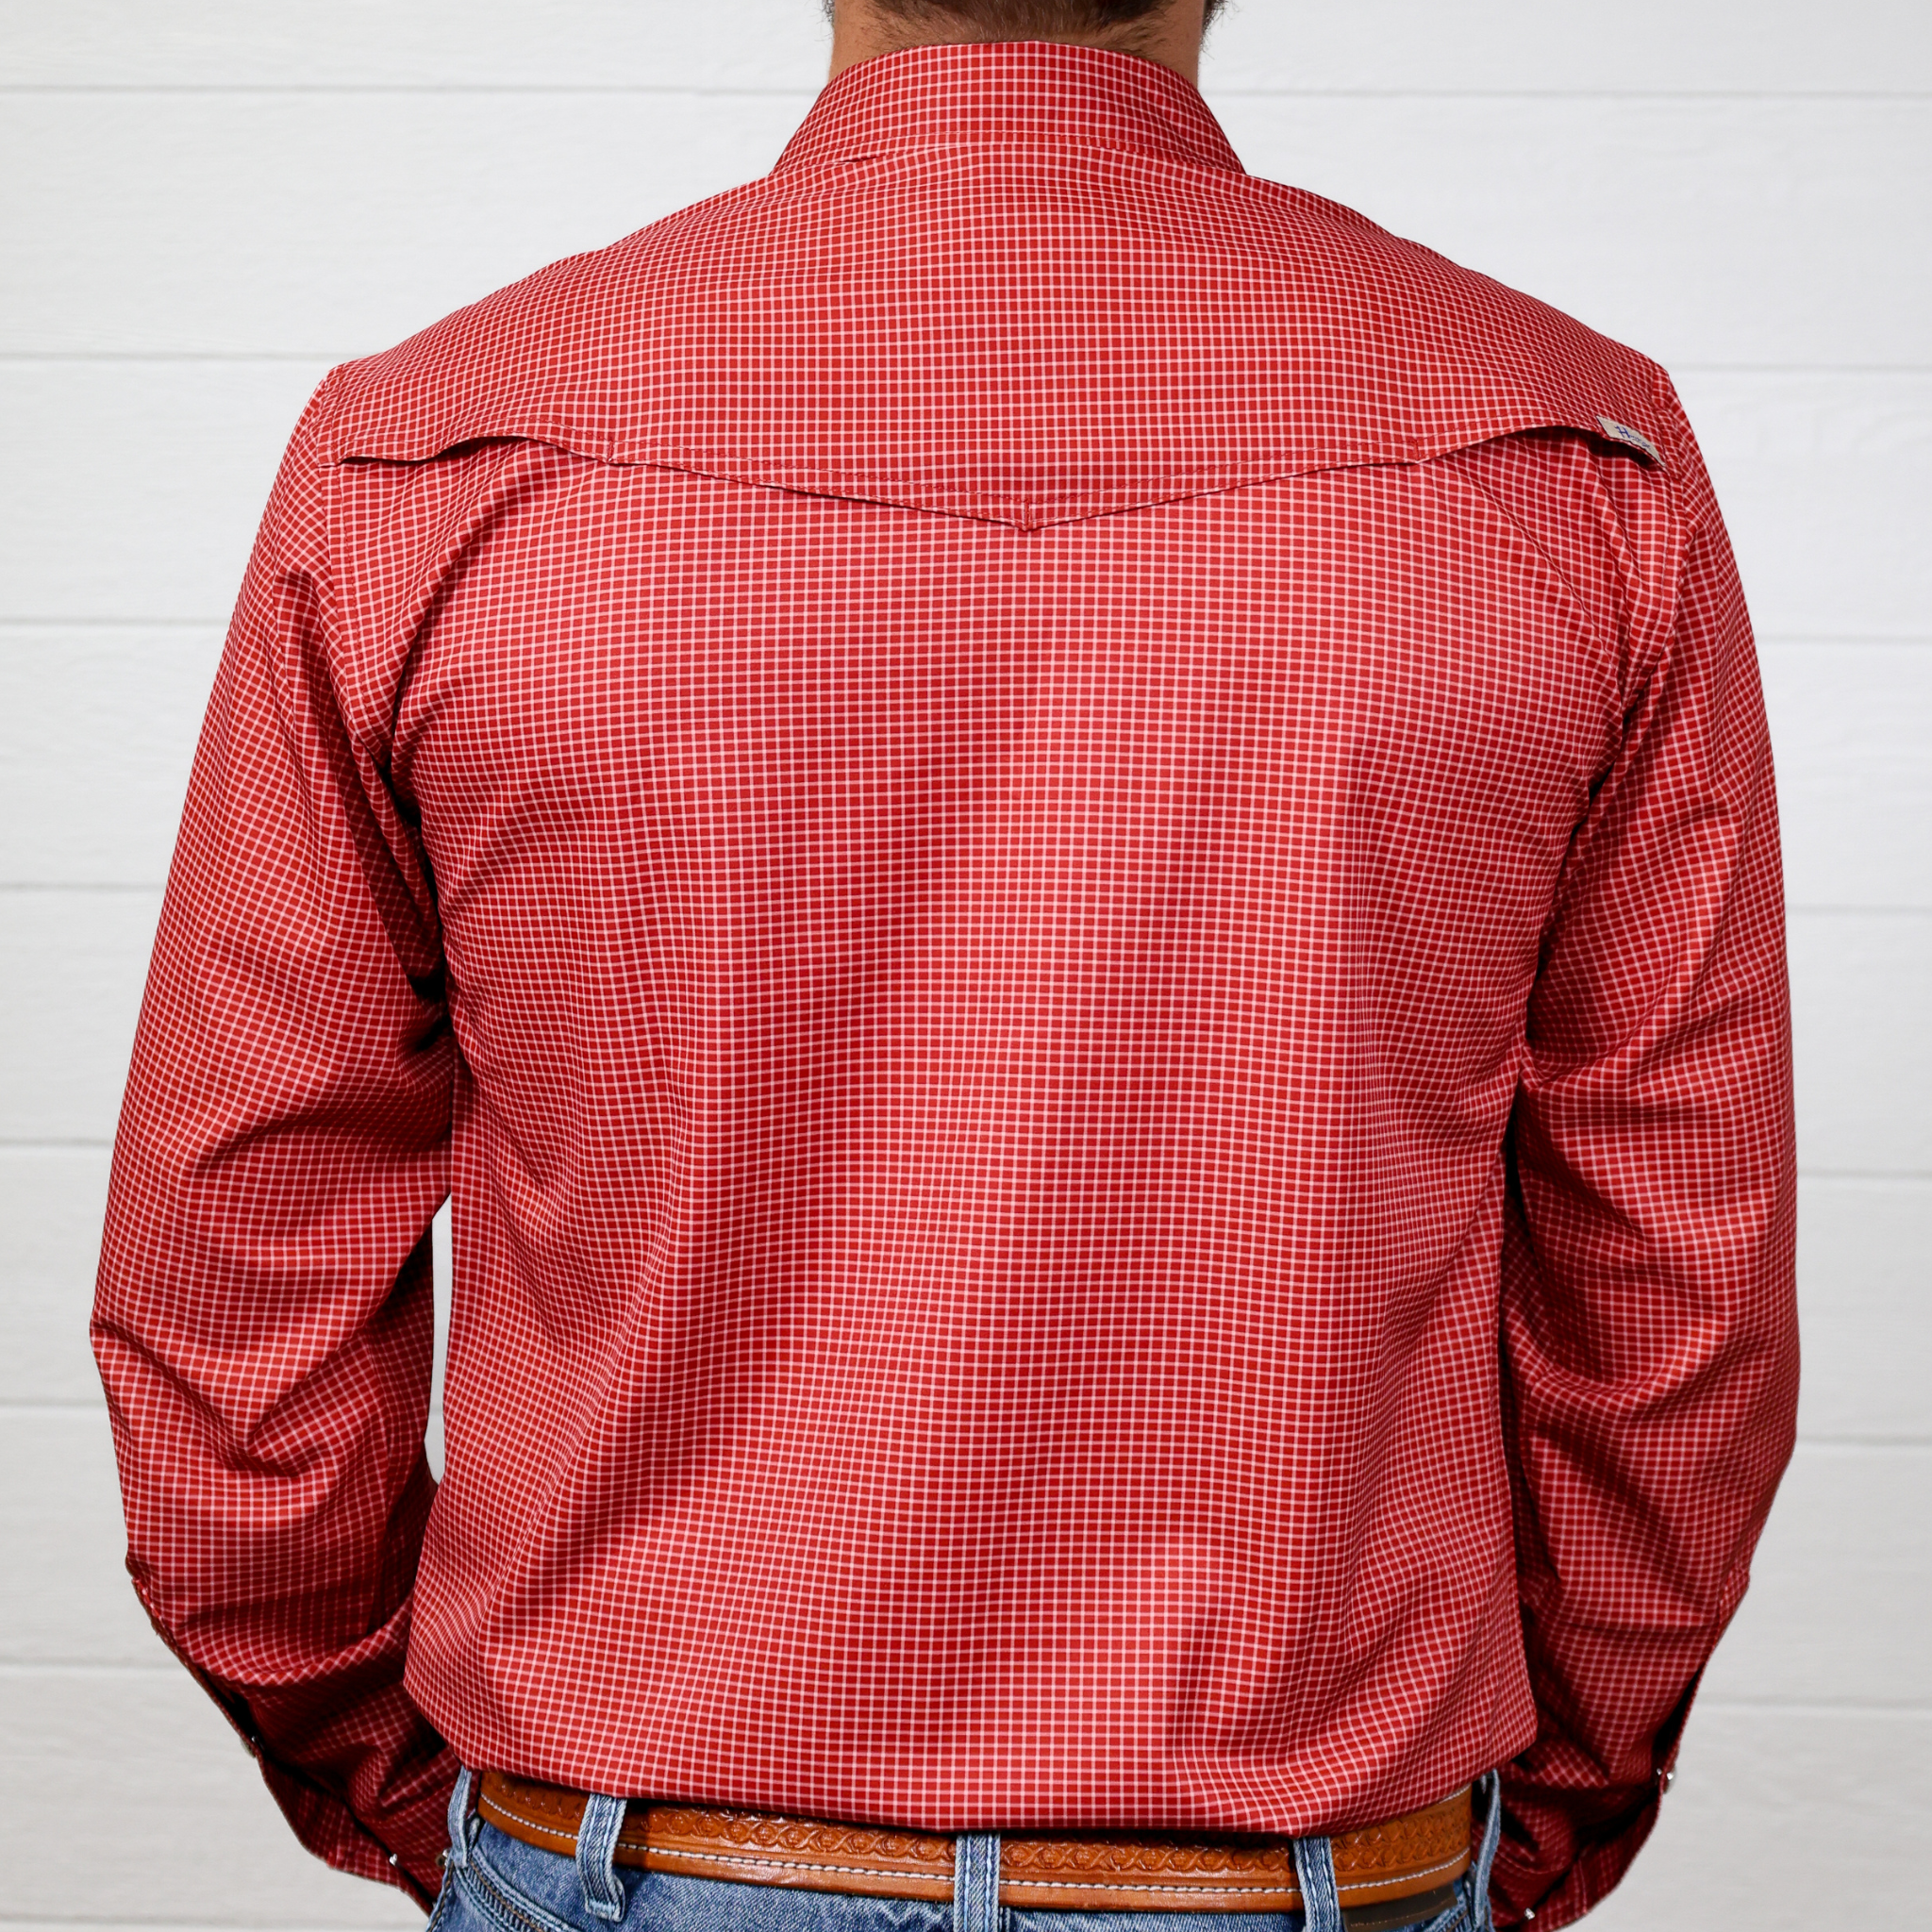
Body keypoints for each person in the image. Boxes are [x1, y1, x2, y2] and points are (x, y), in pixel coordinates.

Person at [92, 3, 1800, 1929]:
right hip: (1316, 1873)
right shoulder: (1573, 462)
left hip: (640, 1848)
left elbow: (232, 1272)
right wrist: (1542, 1802)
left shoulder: (429, 456)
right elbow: (1676, 1294)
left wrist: (421, 1784)